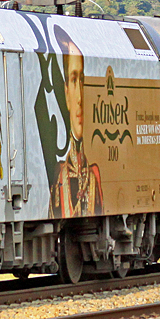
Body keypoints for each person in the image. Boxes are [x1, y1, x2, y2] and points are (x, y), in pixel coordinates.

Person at [50, 26, 102, 217]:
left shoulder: (94, 176)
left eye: (82, 80)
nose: (80, 96)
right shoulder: (58, 175)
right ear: (66, 92)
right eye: (73, 80)